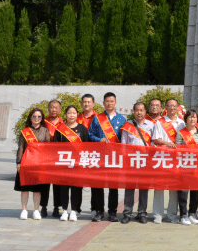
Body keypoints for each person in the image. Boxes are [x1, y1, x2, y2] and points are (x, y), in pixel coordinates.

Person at [88, 92, 126, 222]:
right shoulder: (97, 118)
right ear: (103, 103)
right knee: (98, 185)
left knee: (113, 186)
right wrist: (99, 140)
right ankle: (99, 211)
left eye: (112, 101)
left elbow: (124, 139)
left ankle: (112, 212)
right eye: (107, 101)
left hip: (115, 157)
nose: (109, 103)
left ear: (115, 103)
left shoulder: (122, 119)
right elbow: (90, 134)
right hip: (100, 156)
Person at [151, 98, 185, 224]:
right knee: (159, 187)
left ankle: (171, 215)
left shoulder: (182, 123)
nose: (172, 108)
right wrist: (168, 144)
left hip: (176, 159)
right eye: (169, 106)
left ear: (177, 108)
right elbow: (156, 139)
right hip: (162, 158)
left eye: (174, 106)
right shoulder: (160, 122)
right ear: (165, 107)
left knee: (174, 188)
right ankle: (158, 215)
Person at [52, 105, 89, 221]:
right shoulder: (60, 129)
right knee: (63, 188)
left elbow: (87, 145)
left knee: (76, 188)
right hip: (64, 163)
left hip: (78, 163)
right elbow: (55, 146)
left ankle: (74, 211)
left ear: (77, 115)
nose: (71, 115)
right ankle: (64, 211)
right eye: (69, 113)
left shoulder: (82, 128)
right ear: (65, 115)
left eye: (74, 113)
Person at [120, 102, 154, 224]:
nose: (139, 112)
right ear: (133, 111)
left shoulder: (151, 125)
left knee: (144, 188)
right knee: (129, 188)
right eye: (137, 110)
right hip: (131, 161)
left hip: (145, 162)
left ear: (145, 112)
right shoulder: (127, 125)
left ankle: (142, 213)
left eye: (141, 110)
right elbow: (123, 145)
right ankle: (127, 213)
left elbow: (153, 144)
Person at [15, 108, 51, 220]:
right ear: (30, 118)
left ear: (42, 118)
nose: (36, 118)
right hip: (26, 163)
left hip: (38, 164)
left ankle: (36, 210)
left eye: (39, 116)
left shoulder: (45, 131)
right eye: (34, 116)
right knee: (25, 188)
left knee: (37, 189)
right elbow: (21, 147)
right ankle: (24, 210)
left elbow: (47, 147)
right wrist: (18, 162)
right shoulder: (25, 131)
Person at [176, 109, 198, 225]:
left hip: (197, 166)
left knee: (195, 190)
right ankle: (183, 215)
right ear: (186, 119)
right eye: (190, 117)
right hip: (184, 165)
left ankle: (192, 213)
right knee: (183, 191)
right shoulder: (181, 133)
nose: (192, 119)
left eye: (194, 117)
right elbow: (177, 150)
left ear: (197, 119)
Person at [41, 99, 63, 217]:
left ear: (59, 110)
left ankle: (56, 208)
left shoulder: (63, 123)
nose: (54, 109)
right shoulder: (43, 122)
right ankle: (43, 207)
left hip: (58, 158)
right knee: (44, 183)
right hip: (46, 157)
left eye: (56, 107)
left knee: (57, 184)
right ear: (48, 109)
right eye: (52, 107)